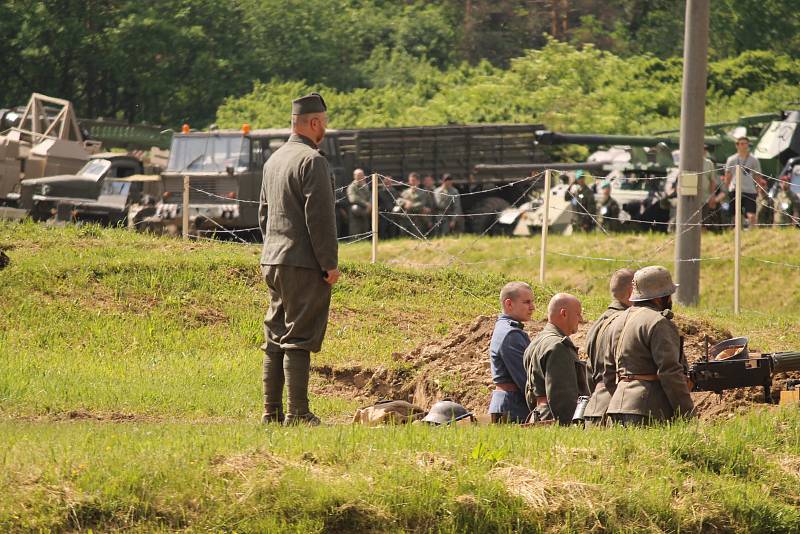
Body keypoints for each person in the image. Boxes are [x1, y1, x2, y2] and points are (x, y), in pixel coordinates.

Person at [258, 92, 340, 426]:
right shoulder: (312, 161)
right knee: (299, 336)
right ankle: (298, 413)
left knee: (275, 335)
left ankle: (271, 412)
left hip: (273, 258)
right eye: (325, 123)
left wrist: (274, 250)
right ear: (315, 122)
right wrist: (329, 264)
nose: (325, 130)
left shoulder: (273, 160)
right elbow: (319, 219)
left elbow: (264, 215)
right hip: (303, 262)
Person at [602, 266, 694, 426]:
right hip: (648, 412)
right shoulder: (659, 322)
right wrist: (687, 413)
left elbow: (608, 373)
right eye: (669, 295)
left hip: (615, 409)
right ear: (659, 298)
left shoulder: (616, 321)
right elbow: (670, 372)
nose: (671, 300)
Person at [523, 293, 590, 425]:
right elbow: (562, 397)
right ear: (564, 313)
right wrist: (568, 425)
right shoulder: (558, 346)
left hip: (539, 414)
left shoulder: (536, 342)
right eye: (577, 314)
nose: (581, 319)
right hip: (553, 419)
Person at [582, 269, 635, 427]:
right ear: (632, 291)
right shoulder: (627, 322)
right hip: (617, 407)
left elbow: (589, 370)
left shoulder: (598, 323)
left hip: (595, 407)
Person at [488, 282, 535, 423]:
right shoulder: (511, 334)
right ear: (509, 304)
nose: (532, 307)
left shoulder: (506, 329)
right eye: (527, 302)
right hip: (513, 408)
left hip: (507, 404)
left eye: (532, 302)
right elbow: (526, 379)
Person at [723, 137, 761, 227]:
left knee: (751, 214)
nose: (744, 146)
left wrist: (758, 189)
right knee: (735, 214)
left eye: (746, 144)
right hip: (735, 189)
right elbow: (728, 176)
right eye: (741, 143)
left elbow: (757, 176)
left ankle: (753, 232)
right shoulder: (731, 159)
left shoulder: (754, 159)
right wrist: (726, 190)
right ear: (737, 145)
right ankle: (736, 232)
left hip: (750, 190)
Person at [396, 172, 428, 237]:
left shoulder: (423, 193)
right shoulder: (405, 192)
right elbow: (398, 201)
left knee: (416, 237)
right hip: (405, 218)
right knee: (403, 237)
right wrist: (405, 202)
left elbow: (422, 204)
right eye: (410, 180)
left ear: (418, 182)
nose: (412, 182)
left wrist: (411, 205)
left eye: (414, 180)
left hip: (416, 218)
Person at [346, 168, 371, 236]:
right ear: (354, 176)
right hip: (356, 212)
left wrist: (370, 204)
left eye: (362, 175)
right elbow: (353, 199)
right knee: (356, 231)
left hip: (365, 210)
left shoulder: (365, 186)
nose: (361, 177)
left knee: (365, 229)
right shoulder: (351, 187)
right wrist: (366, 204)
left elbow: (369, 196)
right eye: (359, 175)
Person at [377, 174, 399, 239]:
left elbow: (397, 202)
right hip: (383, 215)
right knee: (382, 231)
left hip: (392, 215)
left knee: (392, 232)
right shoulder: (379, 192)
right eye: (386, 182)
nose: (388, 183)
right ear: (383, 182)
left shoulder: (395, 192)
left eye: (389, 182)